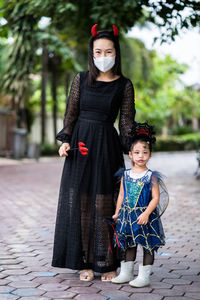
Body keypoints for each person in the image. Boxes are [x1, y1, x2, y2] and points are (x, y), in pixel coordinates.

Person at [52, 24, 136, 282]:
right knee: (82, 203)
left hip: (107, 147)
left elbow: (126, 124)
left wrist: (135, 150)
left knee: (106, 204)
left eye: (108, 51)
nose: (103, 56)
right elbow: (71, 114)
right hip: (80, 148)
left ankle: (107, 263)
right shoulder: (80, 79)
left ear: (116, 53)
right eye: (98, 52)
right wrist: (65, 140)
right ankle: (85, 262)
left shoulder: (124, 85)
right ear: (92, 54)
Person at [111, 121, 169, 287]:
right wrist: (117, 212)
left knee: (147, 244)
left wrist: (146, 214)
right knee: (129, 243)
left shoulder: (151, 176)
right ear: (130, 154)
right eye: (137, 152)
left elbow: (155, 198)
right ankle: (127, 272)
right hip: (128, 216)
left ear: (150, 155)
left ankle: (144, 276)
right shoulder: (126, 175)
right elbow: (122, 195)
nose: (141, 156)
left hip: (146, 216)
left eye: (145, 152)